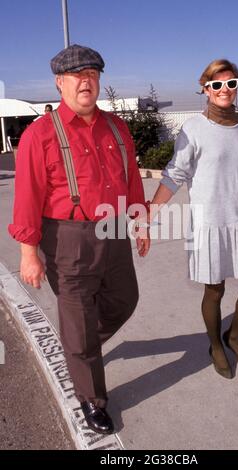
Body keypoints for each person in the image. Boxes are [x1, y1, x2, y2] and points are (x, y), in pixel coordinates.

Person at [8, 44, 150, 434]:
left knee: (124, 300)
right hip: (67, 239)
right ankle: (92, 399)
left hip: (115, 229)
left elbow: (131, 179)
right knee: (79, 319)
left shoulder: (117, 127)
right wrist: (28, 252)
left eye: (92, 74)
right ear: (60, 82)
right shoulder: (40, 134)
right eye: (77, 75)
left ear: (99, 80)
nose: (86, 81)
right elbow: (28, 196)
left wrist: (140, 221)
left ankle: (80, 349)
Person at [149, 59, 238, 379]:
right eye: (217, 84)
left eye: (231, 83)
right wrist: (151, 211)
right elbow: (174, 175)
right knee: (215, 291)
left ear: (237, 87)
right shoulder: (193, 128)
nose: (225, 90)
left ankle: (233, 336)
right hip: (208, 223)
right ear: (205, 88)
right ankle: (215, 345)